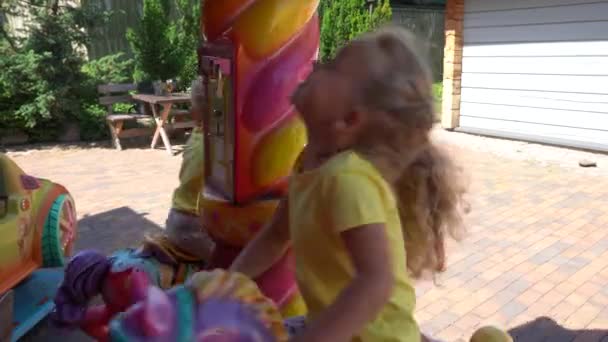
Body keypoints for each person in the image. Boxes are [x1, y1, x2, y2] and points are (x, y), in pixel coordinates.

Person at [230, 25, 469, 342]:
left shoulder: (347, 179)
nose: (319, 65)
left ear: (349, 120)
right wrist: (224, 284)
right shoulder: (308, 165)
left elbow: (375, 282)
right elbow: (275, 237)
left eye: (334, 68)